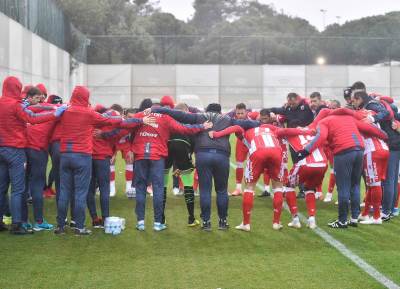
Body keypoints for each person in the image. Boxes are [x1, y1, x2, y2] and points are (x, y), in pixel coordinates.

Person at [148, 103, 259, 231]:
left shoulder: (199, 117)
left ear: (207, 110)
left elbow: (177, 114)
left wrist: (155, 109)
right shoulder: (229, 120)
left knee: (205, 190)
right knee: (222, 191)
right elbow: (248, 124)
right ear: (220, 111)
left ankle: (206, 222)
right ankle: (223, 222)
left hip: (203, 155)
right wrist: (264, 125)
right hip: (222, 156)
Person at [55, 86, 138, 236]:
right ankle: (81, 227)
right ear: (86, 97)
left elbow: (47, 113)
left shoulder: (64, 111)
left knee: (65, 192)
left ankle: (61, 226)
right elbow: (111, 121)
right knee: (83, 192)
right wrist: (126, 118)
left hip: (65, 154)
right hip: (83, 155)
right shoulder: (89, 113)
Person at [298, 109, 388, 228]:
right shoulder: (350, 118)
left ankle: (342, 220)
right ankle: (354, 218)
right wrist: (384, 135)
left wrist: (305, 151)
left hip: (343, 151)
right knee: (355, 185)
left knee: (343, 186)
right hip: (360, 150)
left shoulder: (325, 121)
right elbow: (371, 129)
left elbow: (321, 136)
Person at [131, 101, 212, 232]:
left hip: (152, 151)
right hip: (170, 150)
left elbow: (129, 126)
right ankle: (187, 218)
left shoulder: (143, 115)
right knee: (185, 184)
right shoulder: (168, 117)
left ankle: (150, 220)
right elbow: (186, 131)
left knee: (154, 186)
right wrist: (201, 127)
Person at [0, 76, 66, 235]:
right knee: (19, 188)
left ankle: (5, 221)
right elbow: (32, 117)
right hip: (16, 149)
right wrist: (55, 113)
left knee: (2, 187)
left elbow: (33, 110)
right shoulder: (16, 105)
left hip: (2, 148)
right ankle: (19, 224)